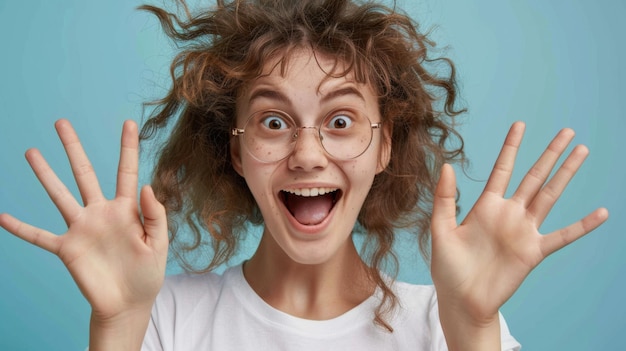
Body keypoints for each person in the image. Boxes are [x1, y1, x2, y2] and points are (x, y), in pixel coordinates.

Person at [0, 0, 609, 350]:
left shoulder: (449, 322)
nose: (308, 155)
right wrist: (116, 325)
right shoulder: (164, 317)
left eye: (341, 120)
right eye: (272, 123)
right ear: (235, 152)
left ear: (383, 146)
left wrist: (473, 328)